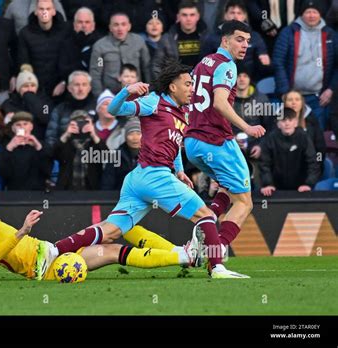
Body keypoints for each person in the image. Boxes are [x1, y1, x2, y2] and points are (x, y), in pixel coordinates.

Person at [66, 59, 250, 278]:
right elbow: (114, 109)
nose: (192, 89)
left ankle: (54, 250)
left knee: (111, 230)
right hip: (153, 174)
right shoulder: (152, 102)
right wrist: (127, 90)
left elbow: (174, 145)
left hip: (140, 177)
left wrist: (180, 170)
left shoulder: (183, 113)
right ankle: (216, 266)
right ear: (173, 87)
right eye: (188, 84)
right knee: (206, 216)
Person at [0, 181, 196, 282]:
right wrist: (22, 231)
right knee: (112, 230)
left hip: (49, 262)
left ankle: (183, 255)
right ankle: (182, 253)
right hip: (48, 258)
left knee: (112, 248)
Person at [184, 20, 266, 273]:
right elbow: (220, 103)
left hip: (193, 143)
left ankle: (203, 230)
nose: (245, 45)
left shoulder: (203, 62)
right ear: (225, 40)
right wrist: (247, 127)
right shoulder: (227, 66)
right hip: (215, 141)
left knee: (227, 189)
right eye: (239, 39)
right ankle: (213, 257)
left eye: (248, 41)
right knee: (245, 202)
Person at [273, 0, 338, 130]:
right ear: (302, 14)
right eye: (308, 12)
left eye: (315, 12)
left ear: (320, 14)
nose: (311, 15)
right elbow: (278, 61)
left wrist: (331, 89)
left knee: (317, 135)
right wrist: (286, 92)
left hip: (318, 98)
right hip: (293, 96)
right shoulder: (289, 32)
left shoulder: (330, 34)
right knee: (290, 133)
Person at [200, 0, 271, 82]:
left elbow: (264, 63)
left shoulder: (255, 37)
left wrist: (265, 62)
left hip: (250, 82)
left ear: (244, 16)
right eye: (232, 13)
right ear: (225, 15)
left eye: (239, 13)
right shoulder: (213, 38)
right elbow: (204, 64)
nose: (235, 16)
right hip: (219, 81)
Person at [259, 107, 321, 195]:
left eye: (290, 120)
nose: (287, 123)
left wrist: (308, 184)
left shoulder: (304, 138)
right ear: (278, 124)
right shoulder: (270, 139)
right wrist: (267, 184)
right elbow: (264, 164)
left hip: (302, 188)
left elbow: (313, 162)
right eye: (283, 120)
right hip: (275, 188)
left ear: (295, 123)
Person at [17, 0, 69, 101]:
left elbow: (71, 59)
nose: (44, 12)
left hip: (62, 87)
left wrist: (64, 82)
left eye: (48, 9)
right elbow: (23, 61)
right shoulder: (25, 33)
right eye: (41, 9)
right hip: (37, 88)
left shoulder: (66, 31)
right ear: (36, 11)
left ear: (54, 11)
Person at [89, 12, 151, 97]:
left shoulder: (138, 41)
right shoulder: (100, 46)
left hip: (136, 93)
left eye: (123, 24)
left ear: (129, 27)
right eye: (116, 25)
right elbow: (96, 73)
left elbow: (147, 68)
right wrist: (100, 97)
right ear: (110, 28)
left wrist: (150, 92)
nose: (120, 28)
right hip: (110, 95)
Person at [53, 110, 108, 190]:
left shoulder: (95, 142)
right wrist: (66, 134)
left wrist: (93, 134)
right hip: (67, 188)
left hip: (91, 188)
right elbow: (51, 154)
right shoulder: (66, 142)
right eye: (77, 122)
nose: (80, 125)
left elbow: (106, 156)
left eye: (84, 122)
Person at [44, 70, 97, 150]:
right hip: (65, 155)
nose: (80, 89)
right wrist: (66, 135)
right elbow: (50, 140)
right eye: (77, 85)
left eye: (84, 85)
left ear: (89, 88)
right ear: (69, 88)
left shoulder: (97, 108)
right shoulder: (60, 109)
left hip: (92, 155)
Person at [0, 111, 50, 190]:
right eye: (18, 124)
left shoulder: (41, 145)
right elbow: (3, 173)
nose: (22, 127)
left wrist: (38, 147)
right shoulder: (7, 146)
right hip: (14, 193)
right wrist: (9, 149)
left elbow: (47, 170)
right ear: (13, 128)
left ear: (31, 126)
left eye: (25, 124)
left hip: (37, 194)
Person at [153, 1, 206, 77]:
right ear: (178, 17)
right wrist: (162, 86)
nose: (188, 19)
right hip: (175, 83)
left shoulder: (207, 38)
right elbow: (157, 64)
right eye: (184, 15)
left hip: (201, 82)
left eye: (192, 15)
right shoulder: (167, 39)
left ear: (198, 16)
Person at [1, 64, 52, 141]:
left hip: (39, 141)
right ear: (19, 88)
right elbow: (5, 129)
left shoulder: (45, 102)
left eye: (32, 85)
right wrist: (7, 121)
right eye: (25, 86)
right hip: (17, 142)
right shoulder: (9, 104)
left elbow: (45, 118)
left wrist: (30, 98)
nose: (29, 89)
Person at [282, 90, 327, 174]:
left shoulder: (312, 121)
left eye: (297, 99)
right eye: (290, 100)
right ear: (284, 103)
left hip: (309, 169)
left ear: (302, 102)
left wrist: (317, 163)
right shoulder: (276, 121)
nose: (293, 102)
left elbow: (320, 149)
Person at [101, 117, 141, 190]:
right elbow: (107, 183)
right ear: (125, 137)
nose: (135, 138)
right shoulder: (115, 156)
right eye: (131, 134)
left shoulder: (151, 156)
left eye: (138, 134)